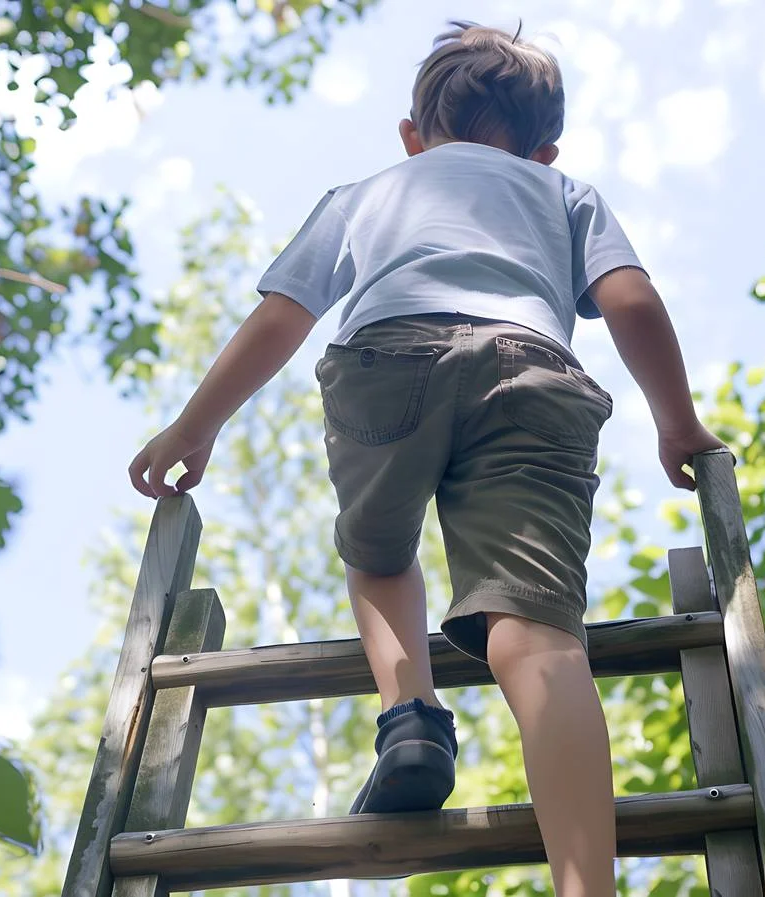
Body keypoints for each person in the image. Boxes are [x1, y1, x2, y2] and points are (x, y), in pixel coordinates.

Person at [127, 19, 726, 896]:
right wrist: (678, 422)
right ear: (545, 150)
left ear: (413, 136)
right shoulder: (564, 194)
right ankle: (587, 885)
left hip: (385, 360)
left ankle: (410, 714)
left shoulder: (367, 191)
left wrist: (195, 426)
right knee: (533, 628)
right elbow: (630, 299)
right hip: (532, 372)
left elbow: (281, 318)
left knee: (378, 552)